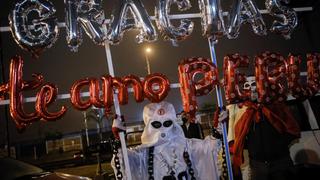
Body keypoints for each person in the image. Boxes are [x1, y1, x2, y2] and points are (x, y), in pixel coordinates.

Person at [111, 101, 226, 180]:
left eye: (167, 123)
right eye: (156, 124)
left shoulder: (187, 145)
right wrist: (119, 140)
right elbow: (124, 161)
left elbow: (207, 148)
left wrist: (218, 129)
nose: (162, 129)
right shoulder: (143, 153)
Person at [226, 76, 301, 180]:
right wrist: (253, 148)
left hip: (280, 162)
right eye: (247, 86)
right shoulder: (244, 111)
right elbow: (239, 135)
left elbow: (293, 129)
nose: (251, 89)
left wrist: (279, 145)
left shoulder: (275, 106)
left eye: (254, 84)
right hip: (257, 165)